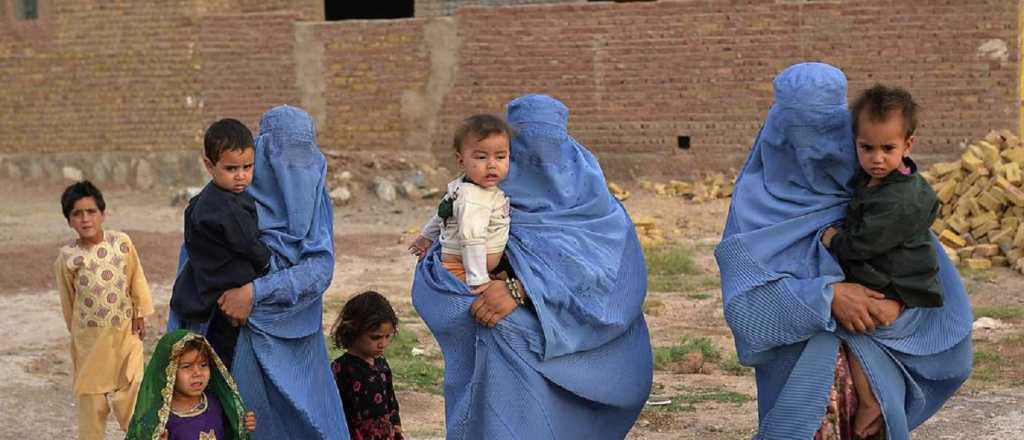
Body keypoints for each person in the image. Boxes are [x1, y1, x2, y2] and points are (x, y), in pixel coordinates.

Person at [715, 63, 972, 440]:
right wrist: (826, 298)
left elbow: (917, 270)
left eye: (825, 132)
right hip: (797, 377)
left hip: (874, 372)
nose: (814, 150)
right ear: (779, 128)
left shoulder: (872, 188)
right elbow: (745, 305)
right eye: (800, 133)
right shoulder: (755, 202)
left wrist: (895, 304)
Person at [411, 94, 652, 439]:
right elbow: (439, 270)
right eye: (525, 145)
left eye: (551, 145)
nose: (539, 158)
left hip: (572, 337)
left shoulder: (596, 207)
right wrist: (477, 295)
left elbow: (614, 279)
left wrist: (520, 290)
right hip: (498, 351)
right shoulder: (484, 196)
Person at [169, 105, 348, 439]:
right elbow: (194, 261)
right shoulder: (230, 194)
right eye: (282, 157)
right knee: (239, 421)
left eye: (302, 155)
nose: (292, 169)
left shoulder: (315, 198)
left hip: (294, 335)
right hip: (231, 332)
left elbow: (320, 267)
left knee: (308, 422)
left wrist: (255, 292)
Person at [820, 84, 941, 438]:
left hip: (896, 281)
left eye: (888, 149)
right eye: (866, 148)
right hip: (891, 272)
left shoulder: (899, 199)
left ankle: (872, 400)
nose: (876, 158)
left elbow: (864, 244)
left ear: (908, 145)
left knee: (857, 332)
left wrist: (833, 240)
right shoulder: (878, 180)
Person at [53, 180, 154, 440]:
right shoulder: (67, 258)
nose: (85, 219)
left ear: (102, 214)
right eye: (77, 214)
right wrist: (77, 336)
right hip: (90, 343)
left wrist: (140, 312)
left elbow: (136, 277)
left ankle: (139, 436)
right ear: (69, 221)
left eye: (91, 211)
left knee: (132, 391)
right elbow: (69, 301)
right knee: (92, 403)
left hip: (124, 334)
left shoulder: (122, 243)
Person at [171, 118, 270, 370]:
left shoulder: (206, 199)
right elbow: (249, 245)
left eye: (247, 167)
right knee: (225, 362)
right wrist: (268, 261)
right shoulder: (227, 209)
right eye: (231, 168)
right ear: (209, 165)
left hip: (205, 291)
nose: (241, 176)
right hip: (223, 297)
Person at [408, 114, 513, 293]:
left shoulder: (464, 186)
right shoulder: (473, 197)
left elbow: (443, 213)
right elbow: (471, 238)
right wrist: (479, 280)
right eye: (481, 157)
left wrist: (425, 237)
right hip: (462, 270)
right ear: (461, 160)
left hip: (469, 266)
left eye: (500, 157)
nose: (491, 165)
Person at [125, 330, 256, 440]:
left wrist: (242, 425)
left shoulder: (218, 404)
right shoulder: (159, 419)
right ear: (168, 373)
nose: (197, 373)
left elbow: (231, 433)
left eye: (203, 365)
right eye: (187, 367)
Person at [330, 291, 404, 440]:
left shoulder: (381, 364)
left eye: (387, 337)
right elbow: (334, 408)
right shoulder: (341, 368)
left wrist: (395, 423)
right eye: (375, 337)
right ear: (354, 331)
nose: (382, 344)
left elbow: (390, 398)